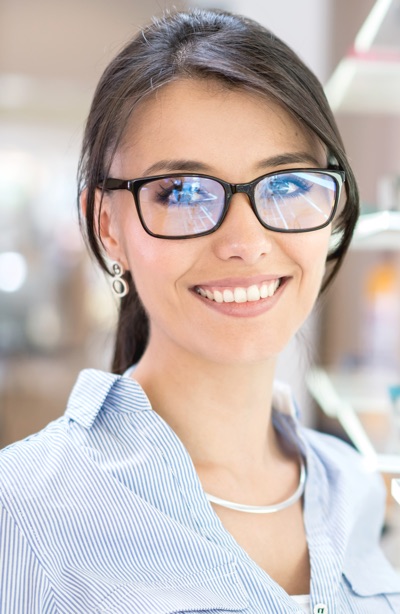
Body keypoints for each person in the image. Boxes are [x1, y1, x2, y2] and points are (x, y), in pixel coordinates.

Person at [1, 8, 399, 613]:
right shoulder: (24, 511)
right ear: (108, 227)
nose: (246, 241)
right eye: (183, 192)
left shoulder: (355, 490)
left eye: (289, 185)